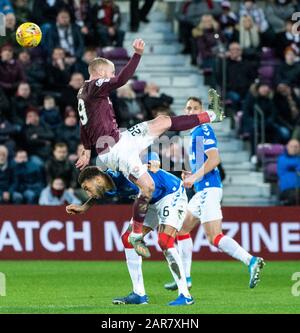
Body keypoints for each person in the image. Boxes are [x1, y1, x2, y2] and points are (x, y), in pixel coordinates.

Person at [76, 38, 224, 257]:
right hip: (116, 150)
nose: (112, 75)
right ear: (100, 73)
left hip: (119, 141)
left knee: (162, 121)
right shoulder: (96, 86)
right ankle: (136, 234)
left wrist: (87, 148)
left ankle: (213, 115)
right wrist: (137, 55)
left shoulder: (82, 92)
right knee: (147, 187)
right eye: (110, 72)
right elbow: (122, 80)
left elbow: (84, 122)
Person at [163, 96, 265, 291]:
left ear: (202, 113)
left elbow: (214, 159)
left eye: (195, 108)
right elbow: (204, 163)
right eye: (188, 108)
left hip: (208, 190)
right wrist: (192, 174)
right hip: (203, 190)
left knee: (214, 237)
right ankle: (186, 278)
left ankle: (251, 261)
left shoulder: (203, 129)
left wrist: (194, 178)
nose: (190, 111)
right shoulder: (194, 134)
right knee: (182, 230)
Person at [66, 153, 194, 306]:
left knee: (165, 241)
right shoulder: (106, 185)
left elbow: (145, 153)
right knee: (127, 238)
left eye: (87, 188)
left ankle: (185, 295)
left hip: (170, 193)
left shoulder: (121, 170)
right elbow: (98, 196)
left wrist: (153, 161)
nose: (88, 193)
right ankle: (139, 294)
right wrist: (84, 207)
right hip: (149, 202)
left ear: (98, 179)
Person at [277, 139, 300, 205]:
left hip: (298, 190)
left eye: (296, 147)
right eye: (291, 146)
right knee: (294, 196)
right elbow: (288, 164)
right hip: (287, 190)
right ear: (287, 147)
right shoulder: (282, 158)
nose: (294, 148)